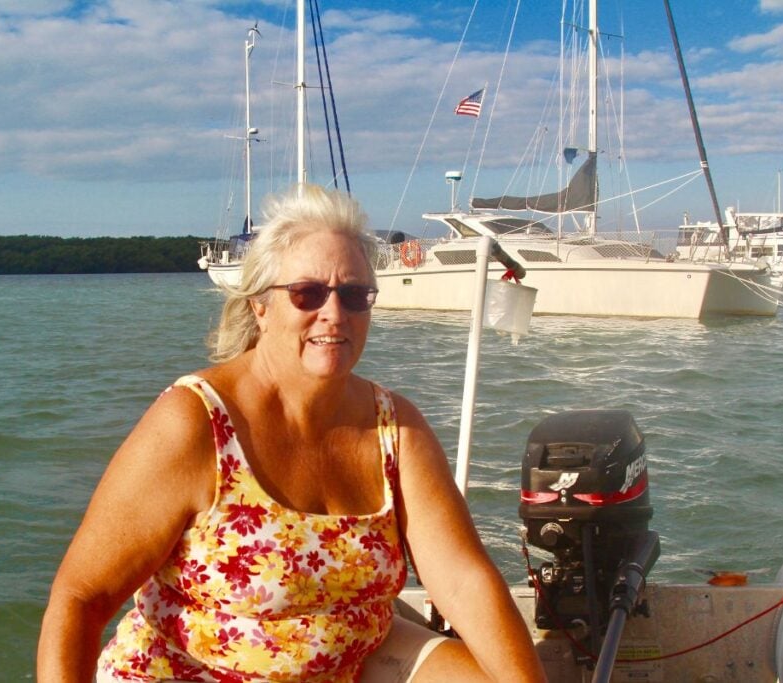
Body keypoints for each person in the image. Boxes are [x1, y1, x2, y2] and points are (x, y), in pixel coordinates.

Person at [37, 183, 547, 683]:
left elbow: (462, 581)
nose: (334, 313)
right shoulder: (194, 423)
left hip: (350, 657)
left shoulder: (397, 428)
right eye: (307, 293)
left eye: (354, 295)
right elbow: (81, 598)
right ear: (261, 304)